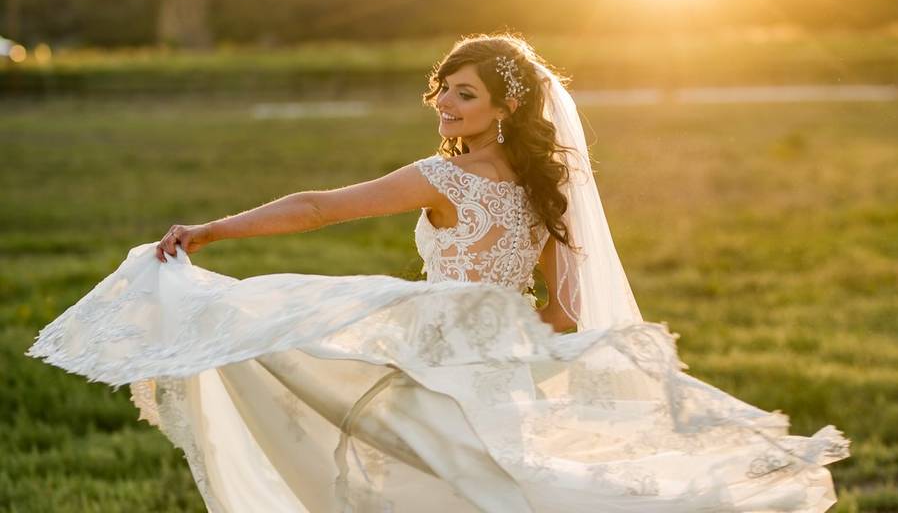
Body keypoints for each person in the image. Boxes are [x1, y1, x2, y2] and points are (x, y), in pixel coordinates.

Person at [27, 33, 851, 512]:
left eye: (463, 94)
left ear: (505, 107)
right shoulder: (547, 186)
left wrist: (211, 230)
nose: (444, 106)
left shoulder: (447, 177)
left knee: (442, 484)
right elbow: (562, 314)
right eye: (441, 90)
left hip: (441, 360)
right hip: (500, 362)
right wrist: (543, 352)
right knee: (487, 486)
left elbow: (319, 207)